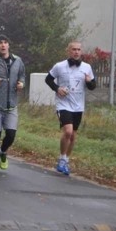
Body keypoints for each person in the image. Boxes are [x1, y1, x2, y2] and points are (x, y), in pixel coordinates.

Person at [45, 41, 96, 176]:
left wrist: (89, 81)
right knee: (68, 131)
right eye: (74, 49)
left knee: (73, 135)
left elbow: (92, 86)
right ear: (68, 51)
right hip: (63, 104)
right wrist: (57, 88)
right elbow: (48, 79)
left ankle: (66, 159)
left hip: (78, 106)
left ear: (81, 51)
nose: (76, 52)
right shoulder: (59, 66)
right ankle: (61, 158)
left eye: (79, 49)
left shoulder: (87, 67)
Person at [0, 34, 26, 173]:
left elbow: (22, 75)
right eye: (0, 43)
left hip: (12, 105)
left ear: (9, 45)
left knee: (10, 135)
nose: (3, 45)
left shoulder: (18, 61)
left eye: (5, 42)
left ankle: (3, 152)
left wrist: (21, 83)